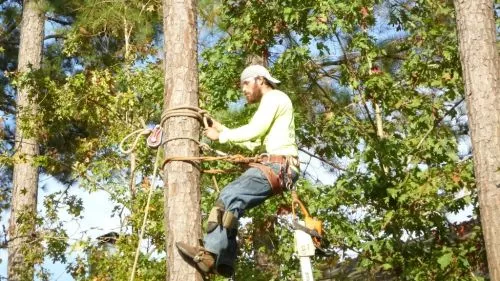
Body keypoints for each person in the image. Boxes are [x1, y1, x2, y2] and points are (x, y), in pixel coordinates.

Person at [176, 64, 300, 277]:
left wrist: (221, 137)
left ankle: (211, 255)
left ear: (260, 80)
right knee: (234, 204)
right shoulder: (276, 103)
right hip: (279, 167)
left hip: (278, 166)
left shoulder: (274, 98)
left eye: (245, 83)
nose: (243, 89)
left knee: (228, 196)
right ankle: (225, 261)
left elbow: (254, 130)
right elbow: (254, 143)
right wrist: (221, 127)